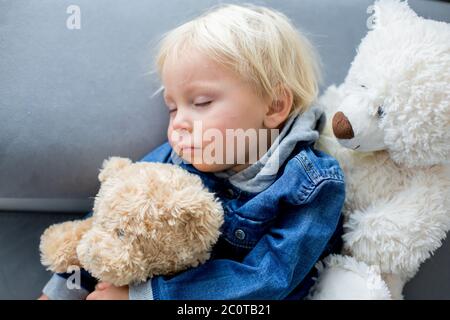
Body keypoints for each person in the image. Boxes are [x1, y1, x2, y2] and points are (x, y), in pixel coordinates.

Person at [39, 3, 345, 300]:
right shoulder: (177, 158)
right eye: (172, 108)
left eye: (200, 103)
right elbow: (111, 218)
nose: (180, 123)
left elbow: (270, 276)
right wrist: (65, 289)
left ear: (275, 106)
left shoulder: (312, 184)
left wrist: (145, 296)